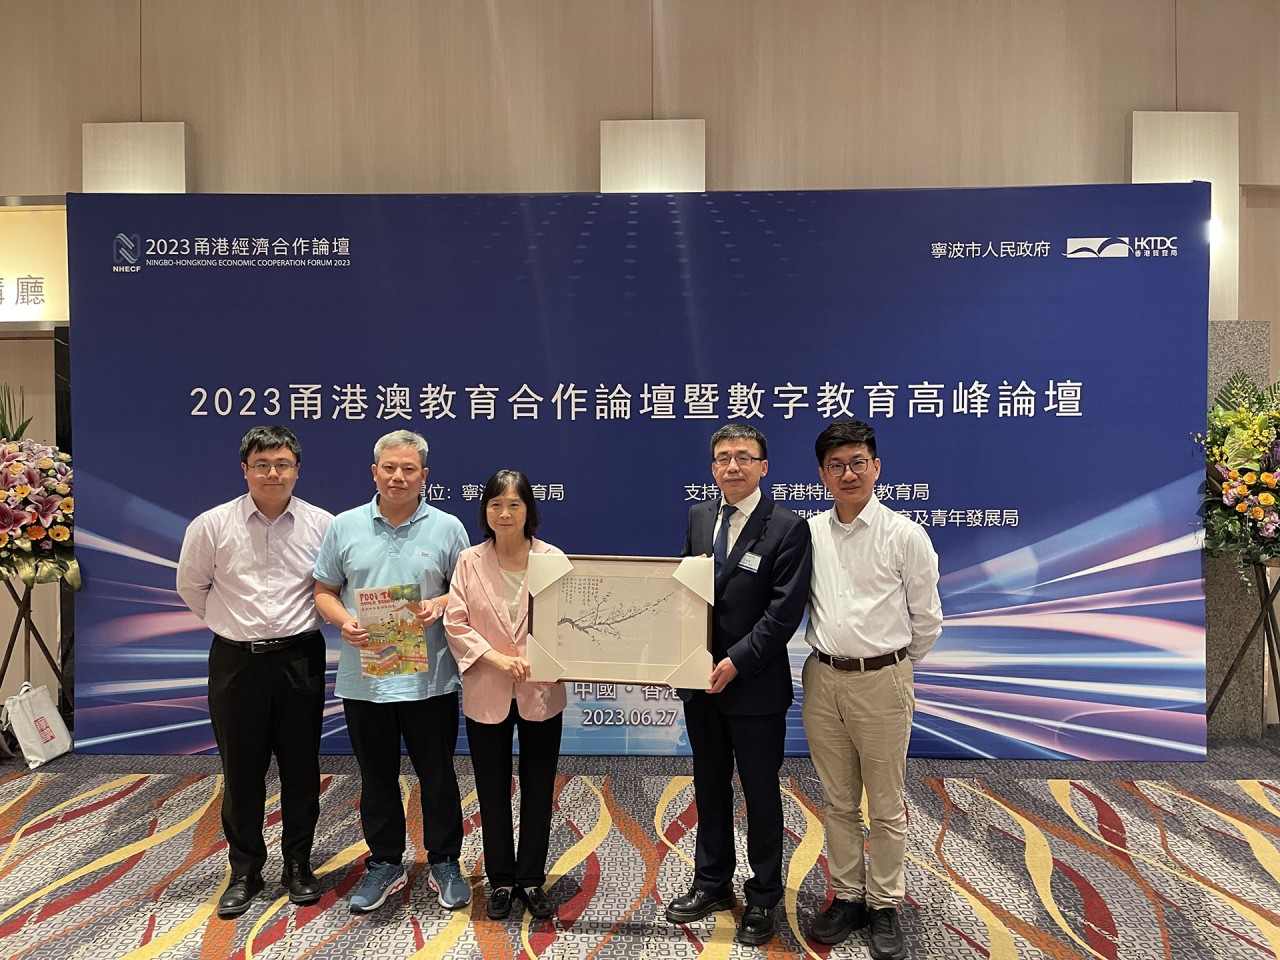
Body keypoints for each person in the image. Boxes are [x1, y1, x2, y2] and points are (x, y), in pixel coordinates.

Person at [176, 425, 333, 919]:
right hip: (235, 662)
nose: (272, 473)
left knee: (301, 768)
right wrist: (233, 627)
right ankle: (245, 870)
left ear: (297, 470)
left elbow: (333, 586)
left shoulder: (322, 525)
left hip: (299, 658)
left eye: (282, 464)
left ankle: (298, 864)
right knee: (241, 770)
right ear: (244, 469)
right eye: (262, 464)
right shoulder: (212, 524)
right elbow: (191, 587)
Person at [664, 422, 812, 947]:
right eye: (724, 457)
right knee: (709, 785)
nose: (733, 466)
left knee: (760, 792)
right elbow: (688, 593)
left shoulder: (788, 527)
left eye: (744, 457)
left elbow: (783, 612)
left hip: (754, 686)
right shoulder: (699, 516)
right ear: (713, 468)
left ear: (763, 467)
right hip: (700, 683)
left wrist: (736, 662)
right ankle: (712, 882)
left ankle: (765, 894)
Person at [312, 430, 471, 915]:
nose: (398, 476)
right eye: (389, 467)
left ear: (424, 476)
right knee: (376, 776)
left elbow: (468, 591)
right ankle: (384, 861)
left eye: (409, 469)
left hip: (431, 680)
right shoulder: (344, 525)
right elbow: (324, 591)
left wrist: (439, 604)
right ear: (374, 471)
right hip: (366, 680)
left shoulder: (448, 528)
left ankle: (445, 860)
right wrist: (345, 622)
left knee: (438, 775)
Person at [802, 419, 942, 960]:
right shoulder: (809, 533)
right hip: (822, 679)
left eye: (858, 462)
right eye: (836, 465)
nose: (848, 474)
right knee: (838, 800)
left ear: (876, 467)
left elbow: (927, 619)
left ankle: (885, 904)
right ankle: (848, 897)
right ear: (822, 475)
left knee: (885, 803)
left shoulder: (905, 535)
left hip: (883, 680)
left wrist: (893, 668)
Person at [444, 469, 566, 921]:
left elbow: (569, 621)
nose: (505, 513)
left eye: (515, 504)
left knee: (539, 786)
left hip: (541, 690)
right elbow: (455, 622)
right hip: (487, 689)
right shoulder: (468, 561)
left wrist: (547, 658)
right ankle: (499, 879)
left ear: (529, 509)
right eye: (496, 504)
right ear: (485, 511)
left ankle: (531, 877)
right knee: (491, 789)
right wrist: (495, 658)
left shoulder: (552, 559)